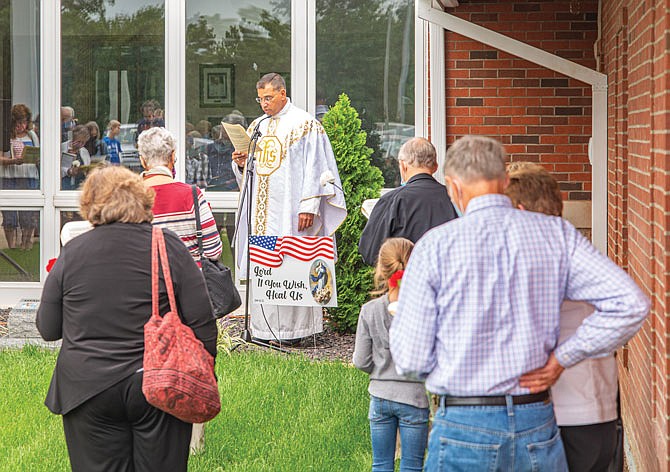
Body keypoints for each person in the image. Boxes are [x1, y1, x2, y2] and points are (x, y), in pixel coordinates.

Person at [389, 135, 650, 471]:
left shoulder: (434, 247)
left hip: (463, 422)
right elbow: (630, 303)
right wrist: (562, 358)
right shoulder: (555, 234)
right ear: (505, 180)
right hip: (535, 422)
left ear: (453, 187)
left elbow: (411, 358)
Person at [36, 166, 217, 472]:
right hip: (157, 379)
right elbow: (203, 322)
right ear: (144, 200)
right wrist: (202, 369)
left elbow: (48, 327)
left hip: (87, 386)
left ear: (90, 205)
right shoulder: (168, 244)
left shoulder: (74, 252)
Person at [505, 163, 620, 472]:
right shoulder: (570, 251)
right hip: (590, 413)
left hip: (569, 419)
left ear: (519, 209)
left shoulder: (549, 258)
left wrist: (561, 359)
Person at [231, 72, 347, 342]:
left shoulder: (305, 125)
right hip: (263, 214)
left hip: (292, 213)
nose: (264, 104)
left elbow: (317, 166)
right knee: (266, 263)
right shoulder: (257, 126)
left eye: (268, 98)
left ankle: (297, 332)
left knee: (293, 261)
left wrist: (310, 206)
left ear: (283, 93)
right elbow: (250, 173)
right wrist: (240, 162)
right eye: (260, 99)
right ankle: (263, 329)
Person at [138, 126, 223, 454]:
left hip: (143, 293)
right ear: (173, 158)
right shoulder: (192, 195)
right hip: (191, 295)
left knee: (147, 358)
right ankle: (193, 441)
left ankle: (149, 427)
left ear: (143, 160)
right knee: (194, 362)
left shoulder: (132, 195)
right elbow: (214, 249)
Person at [353, 237, 429, 472]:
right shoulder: (425, 310)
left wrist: (380, 370)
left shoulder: (369, 310)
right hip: (415, 397)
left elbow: (361, 360)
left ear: (381, 269)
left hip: (380, 396)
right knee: (412, 465)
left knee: (381, 464)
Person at [358, 137, 457, 266]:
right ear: (435, 166)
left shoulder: (392, 200)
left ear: (403, 166)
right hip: (448, 280)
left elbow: (371, 253)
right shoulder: (455, 199)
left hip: (405, 281)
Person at [1, 104, 40, 249]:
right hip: (9, 177)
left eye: (24, 122)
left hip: (29, 176)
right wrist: (12, 161)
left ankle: (26, 244)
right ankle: (12, 246)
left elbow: (38, 152)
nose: (21, 126)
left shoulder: (32, 135)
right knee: (9, 214)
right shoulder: (5, 136)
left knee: (28, 213)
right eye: (18, 122)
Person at [206, 114, 244, 191]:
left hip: (234, 191)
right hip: (210, 190)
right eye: (223, 129)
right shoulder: (210, 148)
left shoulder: (241, 150)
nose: (223, 133)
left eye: (227, 130)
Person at [60, 124, 91, 190]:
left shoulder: (84, 151)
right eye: (78, 141)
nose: (81, 145)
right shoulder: (63, 147)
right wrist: (68, 171)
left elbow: (87, 165)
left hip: (81, 184)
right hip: (65, 183)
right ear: (73, 138)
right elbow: (56, 168)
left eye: (83, 142)